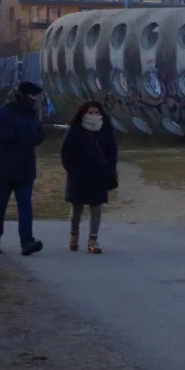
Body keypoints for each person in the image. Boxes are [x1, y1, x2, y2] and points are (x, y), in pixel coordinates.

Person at [0, 81, 47, 255]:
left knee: (25, 205)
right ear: (22, 95)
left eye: (36, 96)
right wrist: (13, 136)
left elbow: (37, 134)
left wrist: (39, 137)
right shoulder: (4, 112)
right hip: (5, 167)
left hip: (26, 167)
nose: (35, 99)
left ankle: (27, 242)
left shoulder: (33, 114)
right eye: (32, 95)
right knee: (0, 206)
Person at [61, 100, 119, 254]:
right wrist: (74, 171)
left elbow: (112, 152)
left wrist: (109, 170)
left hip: (98, 175)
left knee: (97, 208)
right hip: (78, 176)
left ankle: (93, 240)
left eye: (96, 113)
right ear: (83, 114)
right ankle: (74, 236)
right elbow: (66, 154)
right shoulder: (75, 130)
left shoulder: (105, 130)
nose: (94, 115)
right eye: (90, 112)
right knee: (77, 209)